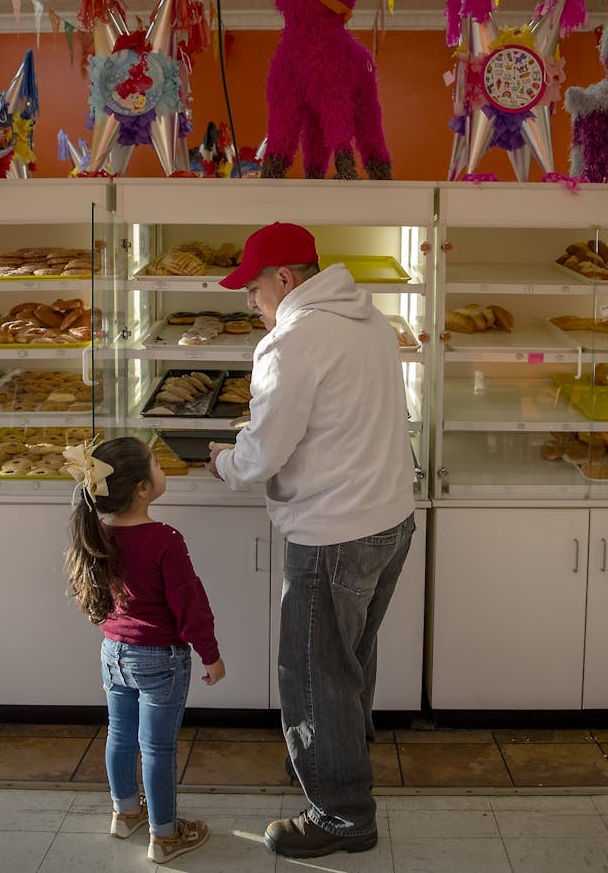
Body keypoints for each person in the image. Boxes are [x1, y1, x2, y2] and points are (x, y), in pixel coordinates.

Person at [205, 222, 416, 859]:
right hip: (389, 521)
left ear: (285, 280)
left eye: (253, 288)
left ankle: (342, 813)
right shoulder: (370, 321)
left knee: (313, 677)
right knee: (347, 665)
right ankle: (335, 762)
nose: (250, 301)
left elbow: (262, 456)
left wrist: (223, 460)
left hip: (334, 533)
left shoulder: (293, 341)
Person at [63, 436, 226, 865]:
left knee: (119, 737)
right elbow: (190, 605)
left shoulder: (96, 531)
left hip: (113, 652)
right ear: (141, 488)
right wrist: (209, 654)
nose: (161, 469)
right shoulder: (164, 540)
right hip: (161, 659)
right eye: (156, 463)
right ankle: (165, 835)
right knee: (156, 749)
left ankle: (125, 812)